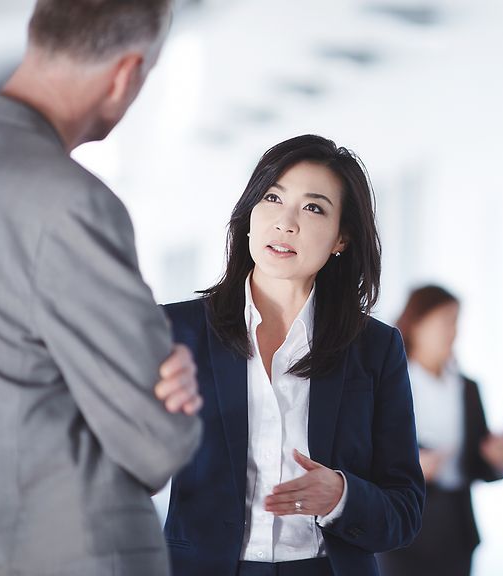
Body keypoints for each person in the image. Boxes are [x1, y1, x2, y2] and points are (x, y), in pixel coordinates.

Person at [0, 1, 204, 575]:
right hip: (81, 554)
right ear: (127, 73)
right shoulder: (71, 203)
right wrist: (174, 371)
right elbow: (156, 442)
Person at [161, 135, 425, 576]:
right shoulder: (174, 331)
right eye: (273, 197)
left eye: (313, 207)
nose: (286, 223)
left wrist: (341, 496)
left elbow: (405, 511)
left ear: (342, 238)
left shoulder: (374, 347)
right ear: (248, 215)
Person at [379, 286, 503, 576]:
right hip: (405, 528)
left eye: (456, 322)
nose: (453, 332)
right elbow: (367, 453)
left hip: (456, 527)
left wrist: (497, 459)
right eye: (446, 321)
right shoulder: (388, 383)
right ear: (416, 324)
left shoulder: (467, 387)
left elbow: (478, 465)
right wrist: (412, 466)